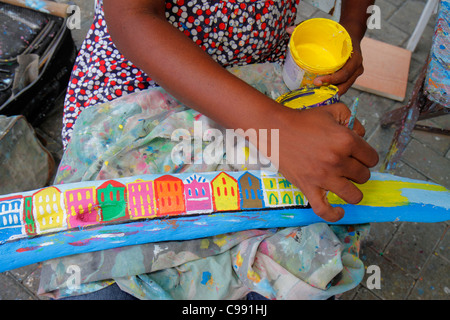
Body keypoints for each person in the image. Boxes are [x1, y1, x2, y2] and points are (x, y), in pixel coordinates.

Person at [56, 0, 378, 299]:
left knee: (298, 265)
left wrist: (351, 27)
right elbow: (131, 17)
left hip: (264, 78)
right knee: (105, 266)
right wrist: (275, 130)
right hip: (143, 85)